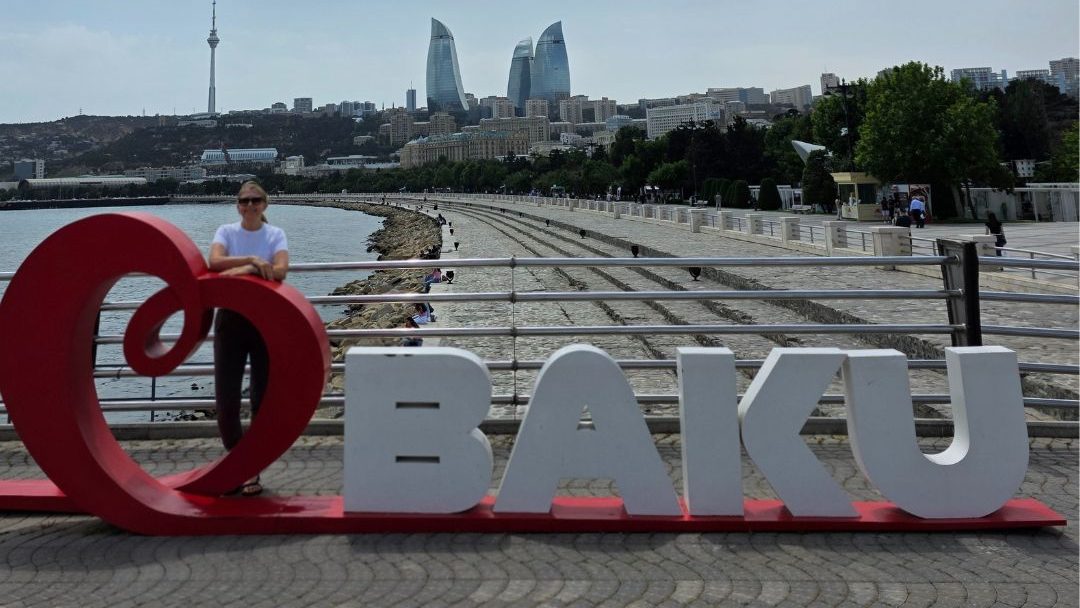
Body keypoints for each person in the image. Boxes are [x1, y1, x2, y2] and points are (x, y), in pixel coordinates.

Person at [207, 180, 288, 497]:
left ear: (265, 204)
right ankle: (239, 464)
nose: (250, 205)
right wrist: (253, 263)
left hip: (265, 322)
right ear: (237, 205)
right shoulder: (226, 232)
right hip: (230, 321)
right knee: (226, 401)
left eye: (256, 200)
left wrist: (238, 273)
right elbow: (214, 262)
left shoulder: (274, 234)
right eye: (244, 200)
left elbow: (281, 270)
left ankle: (250, 469)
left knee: (261, 399)